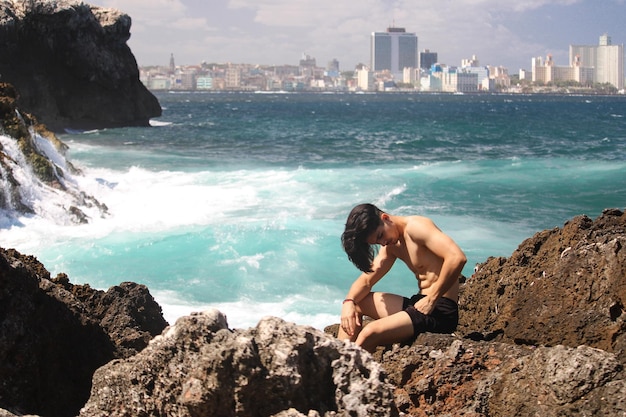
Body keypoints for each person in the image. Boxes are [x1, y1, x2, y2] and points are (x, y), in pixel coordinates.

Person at [337, 203, 467, 352]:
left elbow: (457, 257)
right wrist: (348, 302)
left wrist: (432, 299)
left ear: (385, 218)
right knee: (357, 304)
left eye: (380, 235)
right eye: (377, 242)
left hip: (440, 310)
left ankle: (347, 369)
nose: (383, 243)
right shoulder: (391, 245)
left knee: (370, 333)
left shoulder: (417, 227)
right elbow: (367, 280)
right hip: (420, 304)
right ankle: (337, 360)